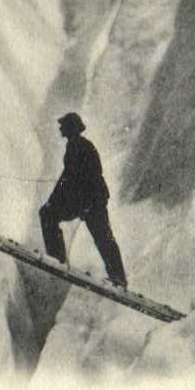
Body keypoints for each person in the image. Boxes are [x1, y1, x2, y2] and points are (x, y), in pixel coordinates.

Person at [39, 112, 128, 287]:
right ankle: (58, 260)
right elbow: (68, 179)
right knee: (102, 237)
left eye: (63, 125)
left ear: (71, 128)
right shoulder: (76, 146)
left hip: (91, 201)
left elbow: (86, 176)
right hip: (84, 201)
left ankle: (118, 278)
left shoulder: (81, 147)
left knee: (102, 237)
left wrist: (83, 203)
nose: (60, 128)